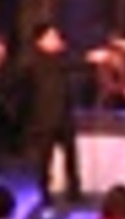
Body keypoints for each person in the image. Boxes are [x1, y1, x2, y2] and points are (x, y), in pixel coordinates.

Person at [14, 23, 109, 205]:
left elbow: (75, 62)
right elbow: (22, 88)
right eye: (52, 36)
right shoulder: (33, 61)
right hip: (45, 117)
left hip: (64, 115)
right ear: (40, 41)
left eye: (56, 36)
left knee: (71, 155)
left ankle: (75, 190)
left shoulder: (61, 57)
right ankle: (44, 192)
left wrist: (91, 57)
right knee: (45, 158)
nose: (56, 39)